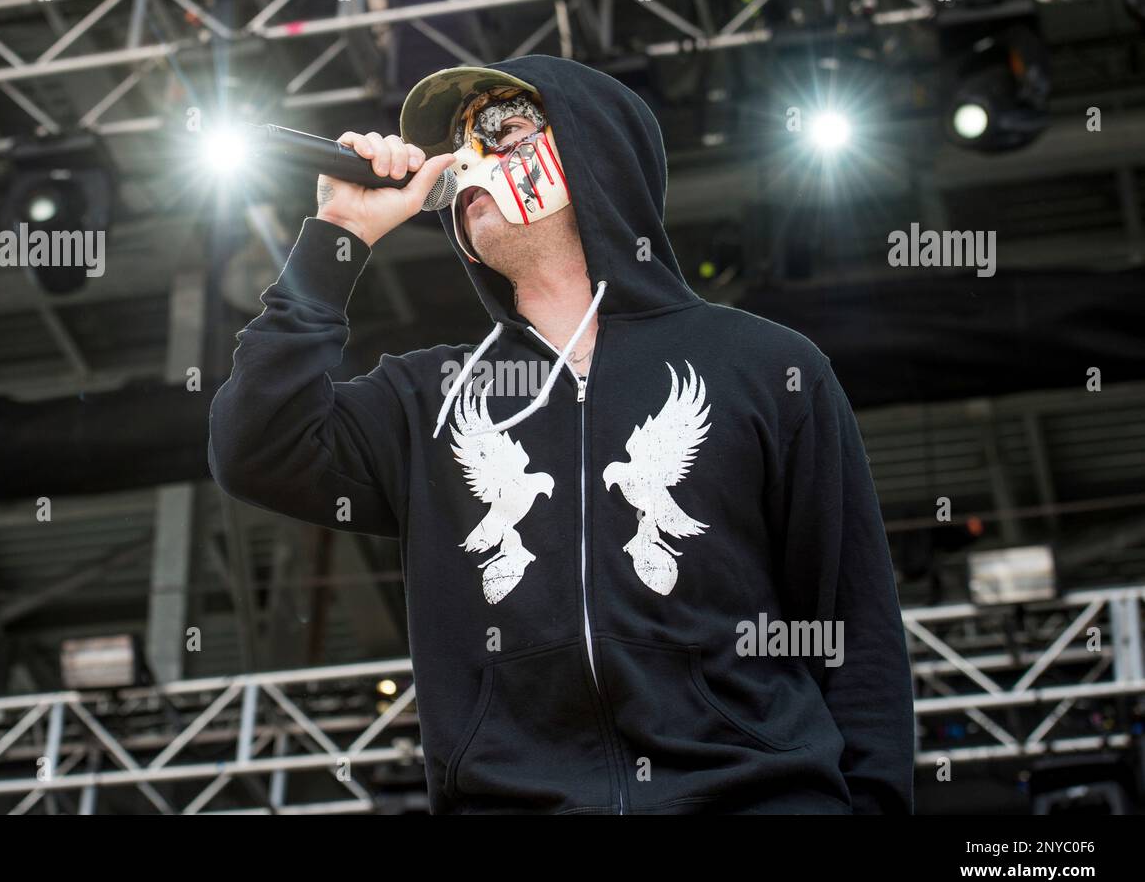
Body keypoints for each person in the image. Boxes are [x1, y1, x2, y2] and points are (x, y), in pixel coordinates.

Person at [208, 54, 915, 814]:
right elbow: (255, 446)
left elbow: (854, 627)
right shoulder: (429, 397)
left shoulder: (766, 365)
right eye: (460, 147)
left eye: (503, 134)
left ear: (592, 154)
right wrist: (338, 237)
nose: (469, 161)